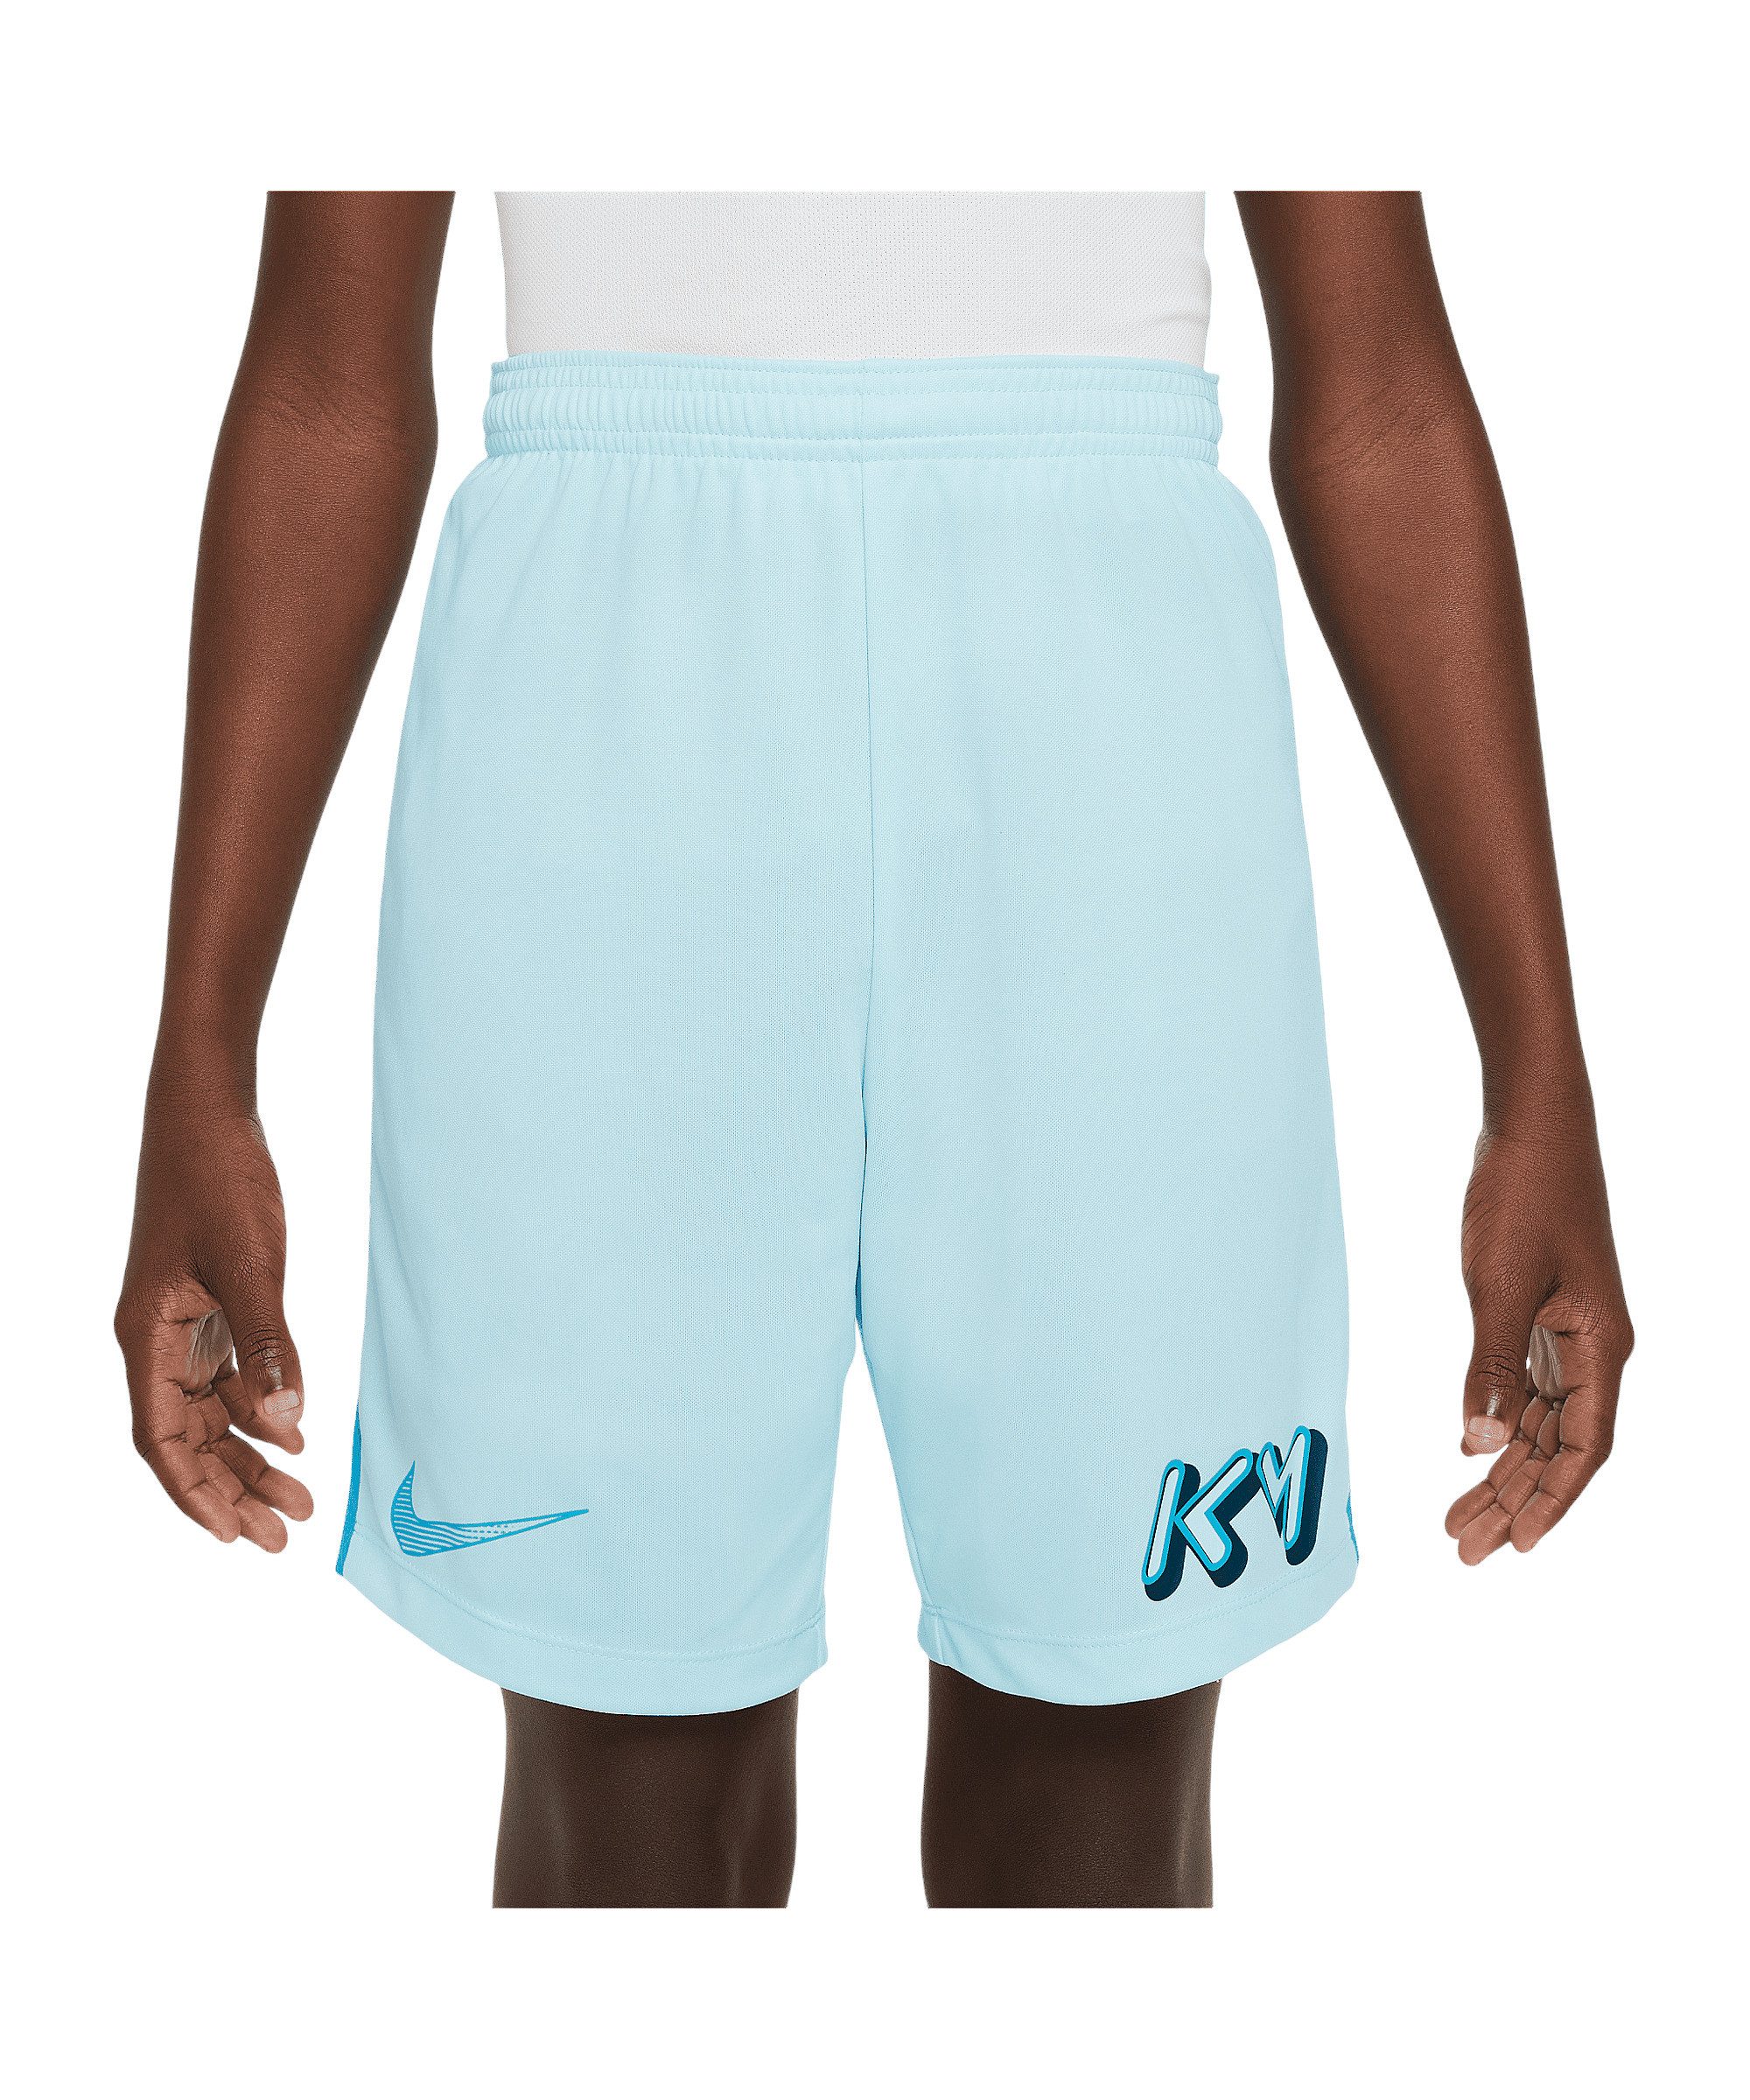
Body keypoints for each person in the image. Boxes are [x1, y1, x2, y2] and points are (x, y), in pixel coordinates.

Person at [116, 192, 1632, 1908]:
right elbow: (327, 376)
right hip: (613, 695)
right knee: (625, 1783)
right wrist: (199, 1063)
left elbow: (1377, 388)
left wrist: (1539, 1082)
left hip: (1104, 712)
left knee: (1098, 1774)